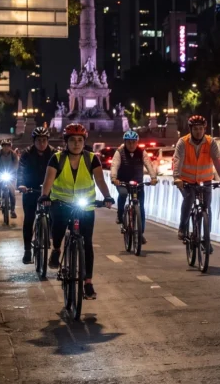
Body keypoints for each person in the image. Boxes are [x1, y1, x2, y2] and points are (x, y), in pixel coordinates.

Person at [40, 123, 114, 299]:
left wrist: (107, 196)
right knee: (57, 228)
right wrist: (45, 196)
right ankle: (56, 249)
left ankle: (88, 282)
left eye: (80, 140)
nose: (76, 144)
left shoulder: (91, 158)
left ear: (84, 142)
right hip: (61, 203)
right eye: (72, 140)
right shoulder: (56, 158)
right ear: (66, 142)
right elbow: (48, 180)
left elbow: (100, 180)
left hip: (85, 205)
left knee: (86, 242)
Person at [173, 114, 220, 242]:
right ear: (191, 129)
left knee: (207, 207)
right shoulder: (183, 142)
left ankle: (207, 239)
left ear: (205, 129)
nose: (198, 131)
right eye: (195, 129)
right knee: (189, 198)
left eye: (201, 128)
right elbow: (178, 160)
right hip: (186, 181)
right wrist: (177, 177)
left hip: (205, 181)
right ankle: (182, 226)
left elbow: (217, 160)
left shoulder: (210, 142)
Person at [110, 130, 158, 245]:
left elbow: (148, 164)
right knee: (123, 194)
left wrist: (153, 177)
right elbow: (114, 165)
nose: (131, 145)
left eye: (133, 142)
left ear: (137, 142)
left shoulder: (142, 152)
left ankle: (140, 233)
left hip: (138, 183)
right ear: (125, 142)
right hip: (122, 182)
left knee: (141, 208)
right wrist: (114, 178)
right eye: (129, 142)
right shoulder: (119, 151)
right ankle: (120, 215)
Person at [17, 127, 55, 264]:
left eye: (44, 140)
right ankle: (27, 250)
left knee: (55, 215)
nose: (42, 143)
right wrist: (21, 185)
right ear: (34, 141)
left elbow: (61, 171)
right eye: (39, 140)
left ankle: (48, 234)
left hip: (49, 190)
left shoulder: (54, 153)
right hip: (30, 189)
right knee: (29, 219)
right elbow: (20, 170)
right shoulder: (26, 153)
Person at [0, 140, 19, 216]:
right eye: (4, 146)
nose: (6, 147)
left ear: (10, 146)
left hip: (11, 173)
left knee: (12, 192)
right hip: (0, 172)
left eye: (8, 146)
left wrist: (15, 171)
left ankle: (12, 210)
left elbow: (16, 164)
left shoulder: (13, 154)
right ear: (2, 146)